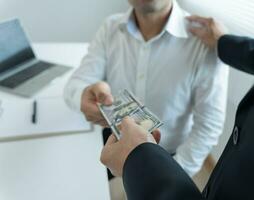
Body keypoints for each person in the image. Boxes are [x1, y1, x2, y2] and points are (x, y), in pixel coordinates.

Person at [100, 15, 254, 199]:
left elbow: (208, 125)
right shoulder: (110, 26)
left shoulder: (200, 45)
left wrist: (142, 164)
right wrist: (226, 44)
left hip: (163, 163)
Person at [64, 0, 228, 179]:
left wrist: (172, 177)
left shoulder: (208, 40)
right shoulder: (110, 27)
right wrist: (83, 97)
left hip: (168, 157)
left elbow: (209, 124)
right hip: (113, 143)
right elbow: (75, 85)